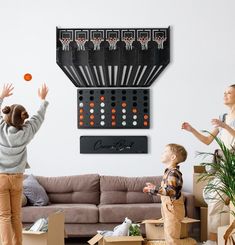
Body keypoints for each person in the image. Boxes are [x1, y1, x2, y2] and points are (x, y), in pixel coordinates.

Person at [181, 84, 235, 245]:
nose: (225, 95)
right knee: (213, 196)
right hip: (224, 165)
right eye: (224, 92)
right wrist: (192, 130)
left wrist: (226, 127)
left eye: (229, 93)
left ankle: (216, 239)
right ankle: (218, 238)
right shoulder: (224, 116)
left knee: (220, 199)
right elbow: (207, 140)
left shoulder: (225, 122)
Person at [0, 83, 49, 245]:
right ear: (23, 117)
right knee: (16, 215)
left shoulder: (1, 128)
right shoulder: (26, 132)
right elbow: (38, 118)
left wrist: (2, 96)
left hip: (0, 178)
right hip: (17, 178)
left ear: (6, 116)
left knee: (4, 216)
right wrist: (43, 100)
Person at [143, 143, 187, 245]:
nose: (162, 153)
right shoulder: (169, 172)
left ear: (173, 157)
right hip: (168, 208)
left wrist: (155, 189)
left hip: (173, 209)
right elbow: (166, 191)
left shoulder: (173, 173)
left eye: (165, 151)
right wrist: (152, 190)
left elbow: (171, 191)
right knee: (168, 233)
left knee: (172, 236)